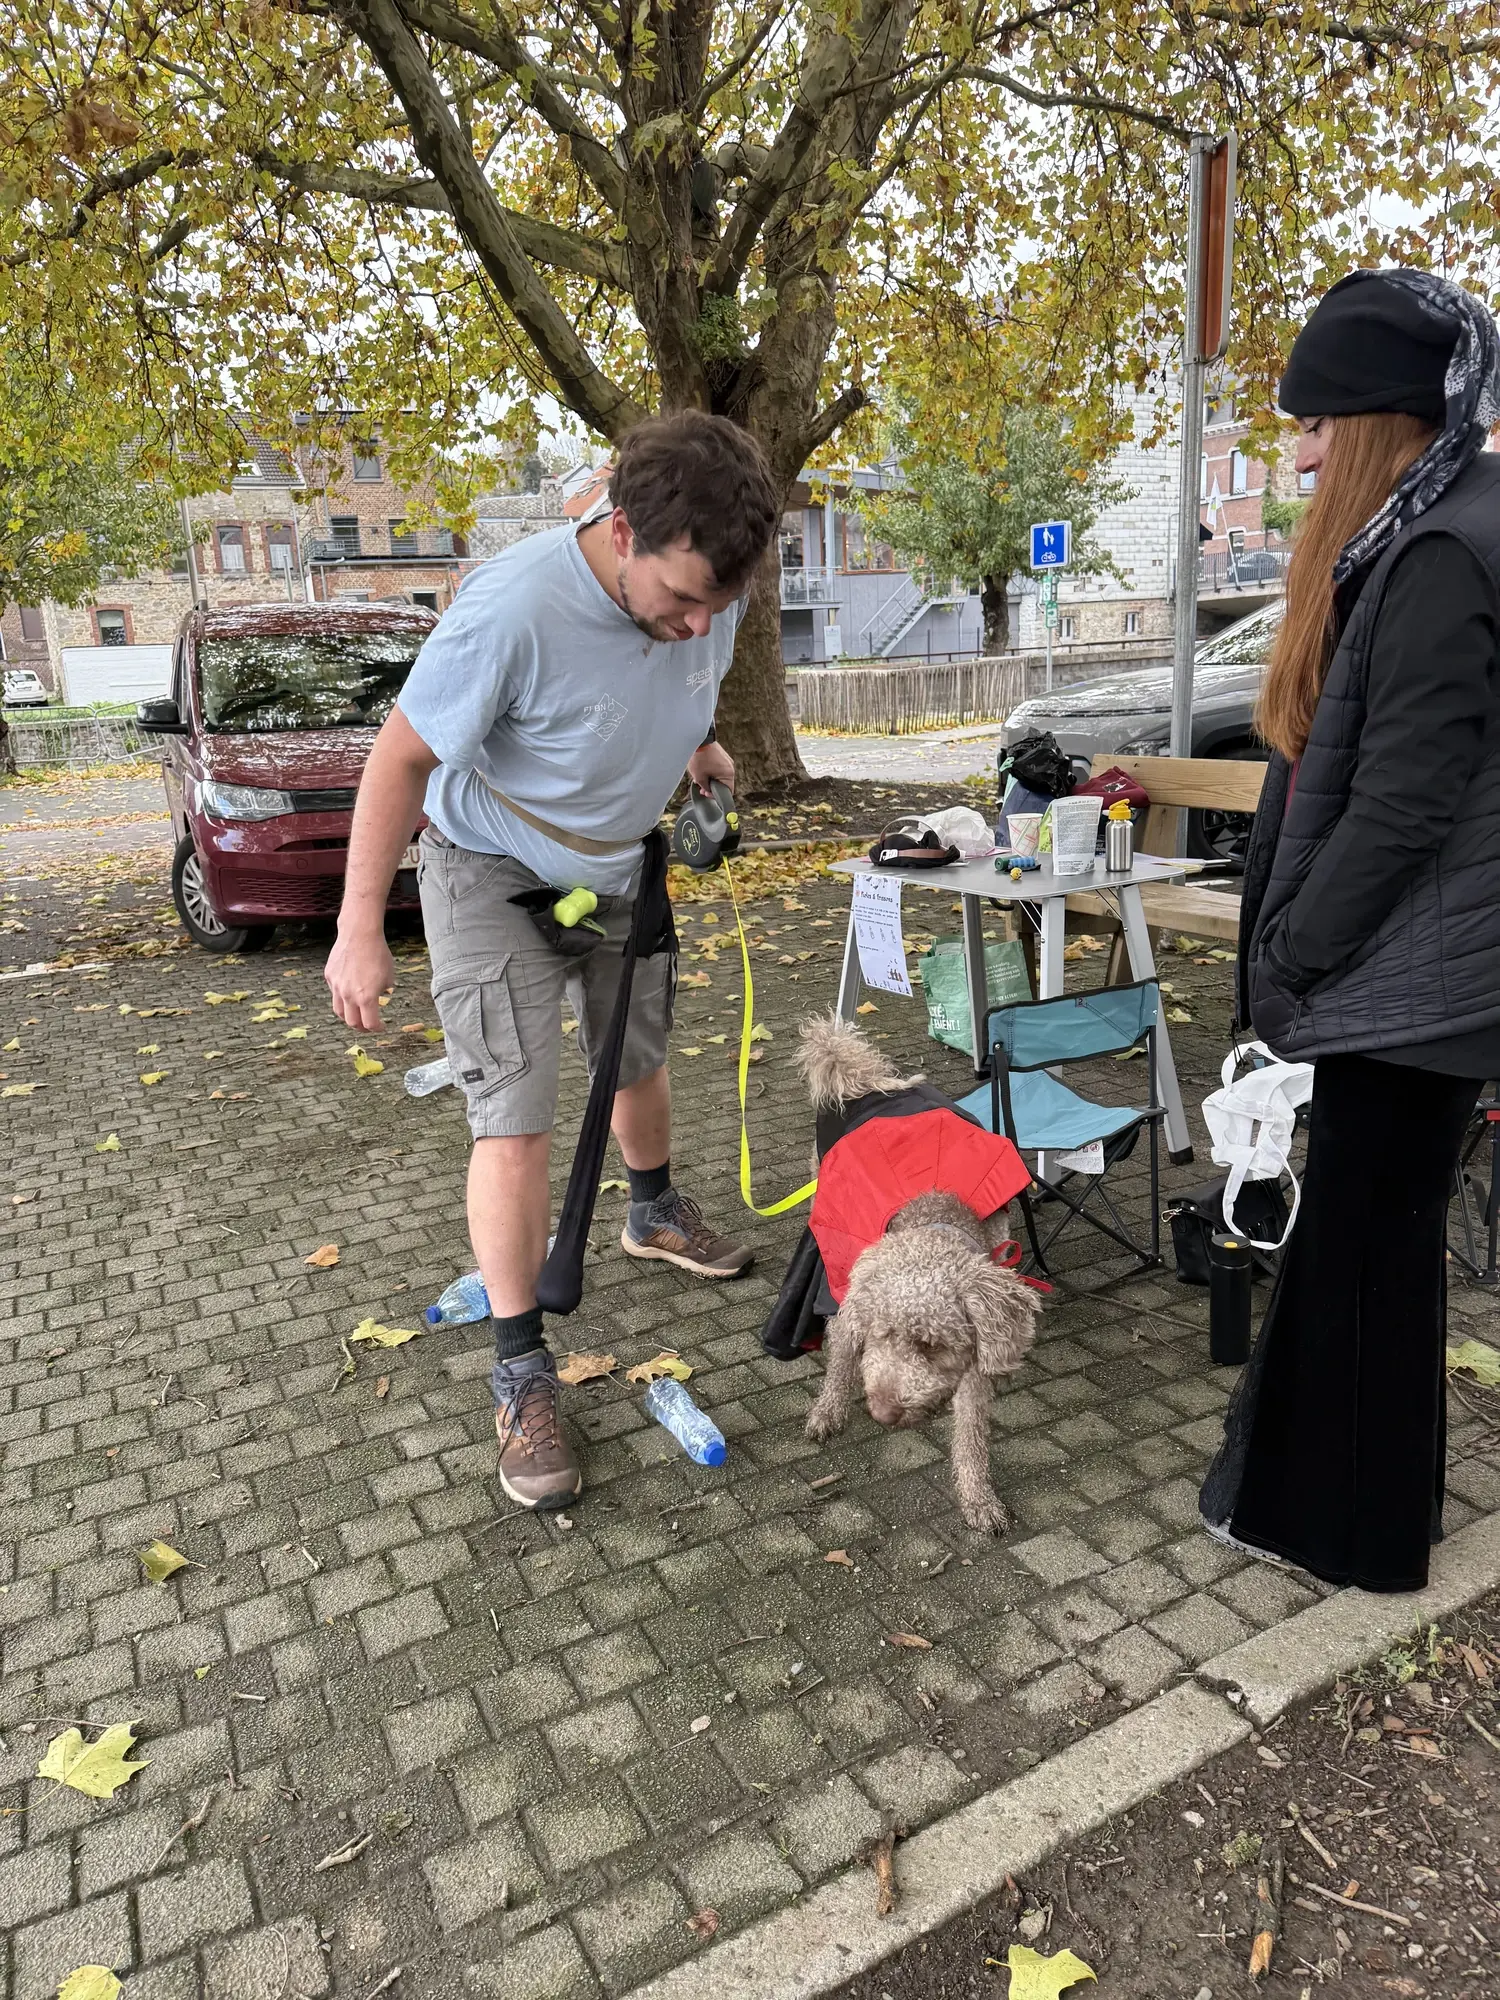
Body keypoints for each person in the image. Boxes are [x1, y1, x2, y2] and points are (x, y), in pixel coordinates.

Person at [325, 411, 781, 1511]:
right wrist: (357, 927)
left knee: (637, 1051)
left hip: (616, 864)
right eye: (680, 598)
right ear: (622, 531)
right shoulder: (513, 608)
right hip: (490, 865)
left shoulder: (709, 591)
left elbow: (682, 690)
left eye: (717, 606)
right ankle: (522, 1366)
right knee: (516, 1114)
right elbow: (401, 758)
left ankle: (654, 1208)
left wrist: (702, 748)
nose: (697, 624)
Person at [1200, 267, 1500, 1594]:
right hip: (1431, 980)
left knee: (1369, 1257)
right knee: (1365, 1248)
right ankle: (1334, 1511)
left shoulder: (1440, 546)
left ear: (1384, 420)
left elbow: (1402, 805)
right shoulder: (1455, 522)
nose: (1305, 452)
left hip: (1413, 990)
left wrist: (1292, 955)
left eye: (1317, 424)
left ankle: (1359, 1537)